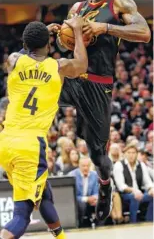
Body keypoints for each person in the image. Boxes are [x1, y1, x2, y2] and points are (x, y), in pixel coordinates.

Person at [25, 0, 151, 221]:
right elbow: (64, 45)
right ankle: (29, 140)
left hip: (98, 84)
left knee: (97, 154)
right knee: (49, 75)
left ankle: (105, 185)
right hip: (75, 77)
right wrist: (62, 36)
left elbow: (144, 33)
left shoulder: (119, 3)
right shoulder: (76, 8)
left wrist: (104, 27)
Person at [0, 16, 88, 239]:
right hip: (30, 146)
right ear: (48, 45)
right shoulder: (57, 67)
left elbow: (23, 52)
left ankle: (60, 236)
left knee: (43, 192)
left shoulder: (13, 60)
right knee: (23, 214)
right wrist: (77, 31)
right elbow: (81, 65)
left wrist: (38, 36)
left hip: (6, 141)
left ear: (26, 44)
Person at [113, 144, 154, 223]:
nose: (131, 155)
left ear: (137, 154)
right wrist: (134, 191)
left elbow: (147, 181)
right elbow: (121, 186)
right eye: (129, 153)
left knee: (153, 195)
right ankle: (133, 222)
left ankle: (149, 221)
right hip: (124, 195)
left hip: (139, 192)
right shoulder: (119, 165)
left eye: (133, 153)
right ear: (125, 154)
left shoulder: (141, 165)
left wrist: (151, 189)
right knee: (134, 197)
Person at [69, 157, 98, 227]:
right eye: (83, 166)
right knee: (82, 205)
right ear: (79, 166)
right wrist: (87, 199)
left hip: (91, 200)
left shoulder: (94, 175)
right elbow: (72, 196)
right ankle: (80, 225)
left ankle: (100, 226)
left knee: (101, 203)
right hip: (78, 201)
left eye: (87, 166)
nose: (86, 168)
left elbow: (96, 191)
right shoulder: (72, 175)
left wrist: (95, 198)